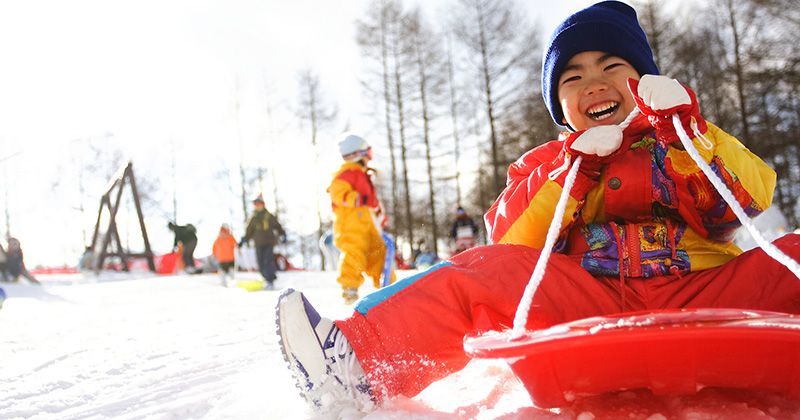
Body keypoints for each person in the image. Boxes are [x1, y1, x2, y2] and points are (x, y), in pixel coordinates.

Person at [276, 1, 800, 413]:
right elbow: (512, 242)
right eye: (572, 78)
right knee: (481, 271)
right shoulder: (546, 162)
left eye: (613, 65)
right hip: (588, 300)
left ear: (645, 81)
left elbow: (747, 201)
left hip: (704, 293)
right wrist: (569, 177)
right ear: (560, 104)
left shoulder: (687, 134)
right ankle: (360, 361)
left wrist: (690, 137)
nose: (593, 81)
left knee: (791, 255)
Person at [326, 133, 395, 305]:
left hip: (368, 226)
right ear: (358, 154)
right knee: (354, 253)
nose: (369, 159)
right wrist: (354, 198)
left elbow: (372, 202)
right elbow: (336, 191)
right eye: (367, 154)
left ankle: (390, 289)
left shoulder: (364, 176)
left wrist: (379, 215)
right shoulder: (345, 173)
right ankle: (349, 289)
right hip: (350, 226)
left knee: (379, 253)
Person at [239, 194, 286, 289]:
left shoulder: (268, 216)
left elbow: (277, 226)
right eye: (256, 204)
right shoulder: (253, 218)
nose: (257, 206)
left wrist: (283, 234)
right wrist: (244, 240)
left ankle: (270, 280)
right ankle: (266, 279)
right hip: (258, 244)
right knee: (260, 263)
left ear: (263, 204)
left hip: (269, 242)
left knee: (268, 261)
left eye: (259, 204)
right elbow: (249, 231)